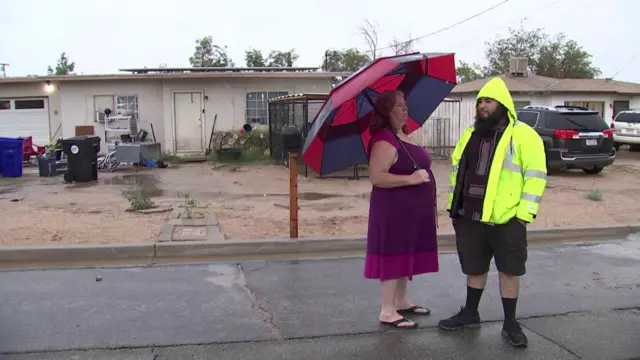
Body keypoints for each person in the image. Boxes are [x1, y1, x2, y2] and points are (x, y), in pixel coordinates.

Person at [438, 78, 547, 347]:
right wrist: (456, 209)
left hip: (507, 218)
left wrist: (524, 214)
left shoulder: (523, 135)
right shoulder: (470, 134)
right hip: (470, 216)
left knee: (509, 270)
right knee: (474, 268)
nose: (482, 106)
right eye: (479, 102)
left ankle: (510, 323)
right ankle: (470, 314)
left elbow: (535, 177)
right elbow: (457, 173)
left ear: (503, 104)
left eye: (488, 101)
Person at [364, 90, 439, 329]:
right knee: (394, 253)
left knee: (406, 253)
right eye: (398, 105)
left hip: (413, 211)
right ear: (387, 111)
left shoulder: (403, 136)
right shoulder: (384, 140)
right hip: (394, 210)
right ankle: (387, 310)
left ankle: (402, 301)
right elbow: (377, 177)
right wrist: (412, 180)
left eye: (405, 103)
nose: (404, 108)